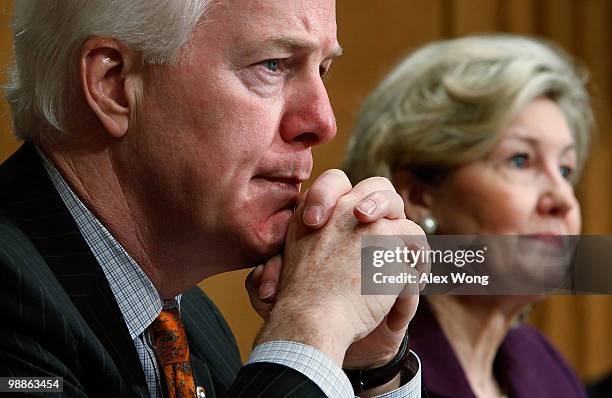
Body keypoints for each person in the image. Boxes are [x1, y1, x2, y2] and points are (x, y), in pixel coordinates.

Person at [0, 1, 426, 397]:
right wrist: (311, 326)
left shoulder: (192, 323)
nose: (322, 122)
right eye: (273, 65)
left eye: (324, 69)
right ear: (114, 86)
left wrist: (364, 366)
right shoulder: (13, 300)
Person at [343, 35, 593, 397]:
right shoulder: (372, 371)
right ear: (417, 196)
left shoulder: (545, 366)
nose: (564, 200)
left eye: (566, 170)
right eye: (520, 160)